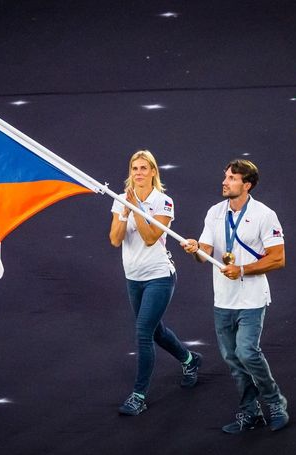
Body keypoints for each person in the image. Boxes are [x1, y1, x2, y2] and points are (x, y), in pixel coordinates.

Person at [182, 159, 289, 433]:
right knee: (232, 358)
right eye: (225, 176)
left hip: (252, 299)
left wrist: (242, 269)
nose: (225, 181)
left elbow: (278, 259)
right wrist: (195, 248)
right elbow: (204, 254)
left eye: (231, 178)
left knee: (247, 352)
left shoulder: (265, 215)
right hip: (223, 300)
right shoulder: (214, 213)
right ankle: (250, 411)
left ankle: (275, 402)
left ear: (247, 184)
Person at [109, 149, 202, 416]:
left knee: (142, 333)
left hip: (159, 276)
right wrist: (125, 210)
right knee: (155, 330)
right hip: (133, 277)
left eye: (143, 168)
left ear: (153, 172)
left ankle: (138, 396)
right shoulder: (120, 199)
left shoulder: (164, 202)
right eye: (134, 169)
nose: (138, 173)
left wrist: (136, 207)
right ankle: (190, 359)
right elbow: (115, 239)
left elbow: (150, 237)